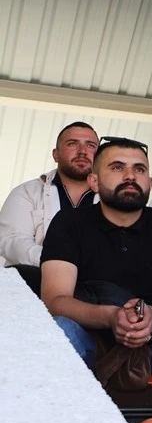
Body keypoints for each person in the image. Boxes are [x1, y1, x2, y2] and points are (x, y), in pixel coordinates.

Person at [40, 137, 152, 416]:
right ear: (93, 181)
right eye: (117, 167)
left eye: (139, 169)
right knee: (59, 329)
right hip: (90, 338)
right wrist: (111, 317)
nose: (130, 176)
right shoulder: (69, 223)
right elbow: (55, 300)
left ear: (149, 181)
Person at [1, 122, 99, 295]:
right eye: (72, 143)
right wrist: (59, 265)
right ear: (56, 154)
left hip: (97, 288)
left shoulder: (112, 198)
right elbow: (11, 241)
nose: (82, 151)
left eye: (90, 145)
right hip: (35, 281)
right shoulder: (27, 192)